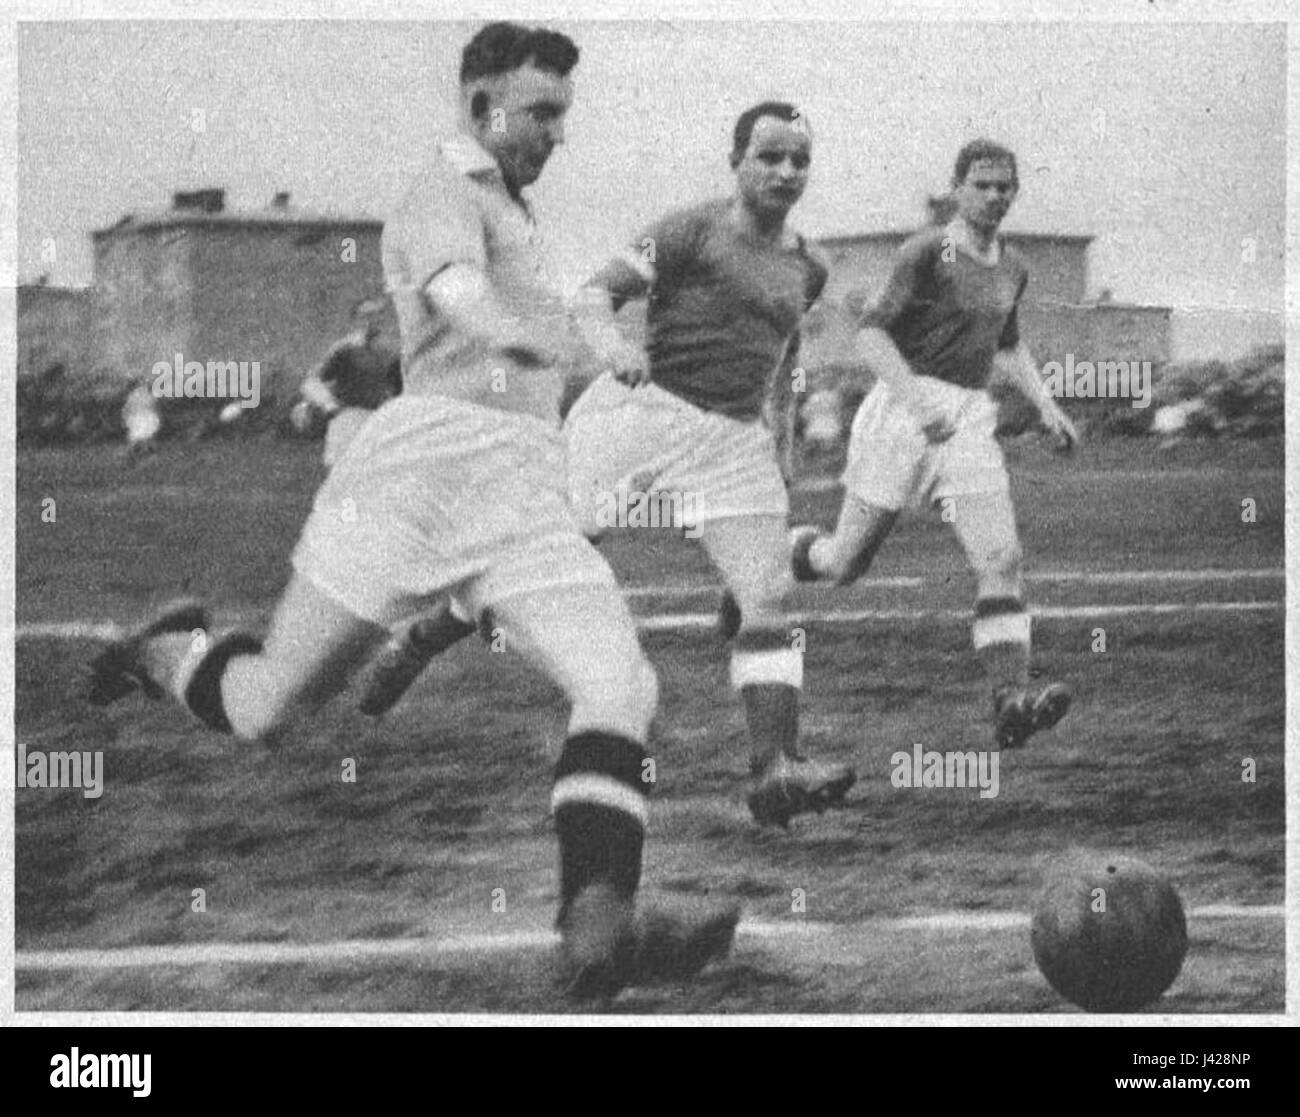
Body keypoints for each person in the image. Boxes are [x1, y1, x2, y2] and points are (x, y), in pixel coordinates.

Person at [87, 21, 738, 1001]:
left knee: (619, 683)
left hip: (522, 486)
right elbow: (455, 289)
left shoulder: (516, 209)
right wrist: (521, 339)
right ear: (482, 107)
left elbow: (521, 307)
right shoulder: (442, 190)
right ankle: (162, 653)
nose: (556, 133)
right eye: (540, 112)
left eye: (564, 113)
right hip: (417, 476)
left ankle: (598, 915)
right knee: (269, 706)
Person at [562, 102, 855, 828]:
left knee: (768, 595)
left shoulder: (809, 265)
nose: (787, 171)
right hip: (642, 415)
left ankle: (774, 768)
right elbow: (595, 295)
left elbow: (786, 360)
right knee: (548, 554)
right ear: (736, 160)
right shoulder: (688, 230)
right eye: (771, 156)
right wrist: (614, 346)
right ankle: (430, 629)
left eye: (800, 160)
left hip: (733, 441)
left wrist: (781, 453)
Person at [791, 139, 1077, 749]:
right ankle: (783, 559)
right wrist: (918, 404)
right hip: (902, 408)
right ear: (957, 188)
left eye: (1005, 186)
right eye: (982, 185)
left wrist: (1047, 405)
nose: (995, 196)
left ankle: (1011, 698)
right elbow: (870, 336)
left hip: (970, 417)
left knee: (1001, 561)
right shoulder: (927, 250)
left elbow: (1007, 344)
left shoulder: (1014, 267)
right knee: (843, 567)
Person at [296, 299, 403, 467]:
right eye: (366, 316)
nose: (372, 320)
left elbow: (399, 387)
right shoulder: (344, 350)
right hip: (348, 420)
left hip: (379, 422)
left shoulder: (391, 351)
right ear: (356, 320)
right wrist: (328, 405)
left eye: (377, 315)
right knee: (342, 480)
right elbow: (311, 381)